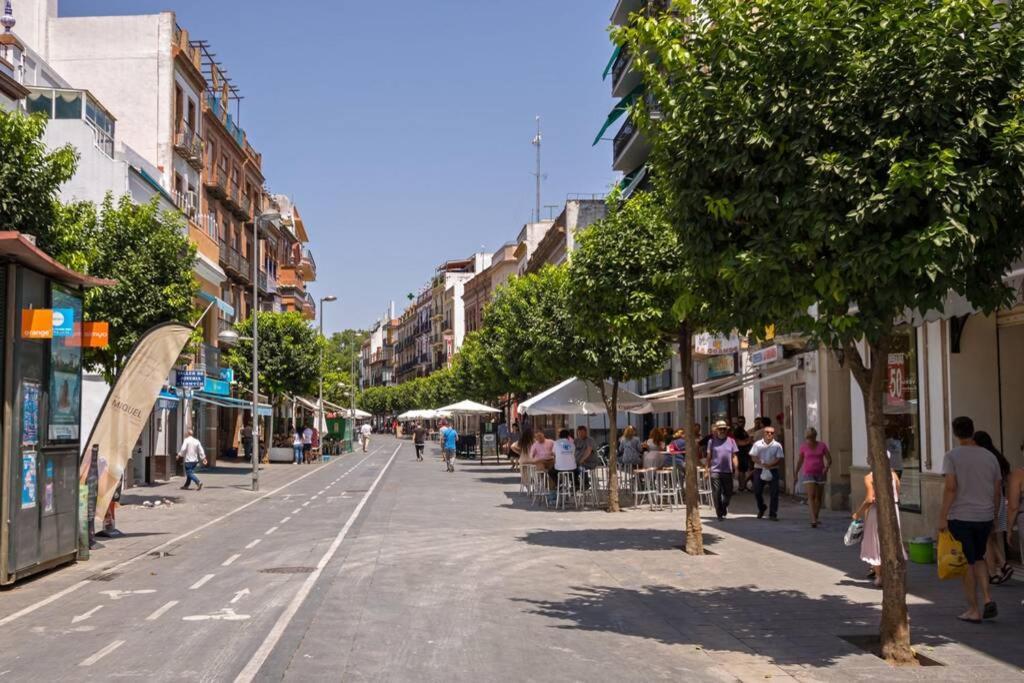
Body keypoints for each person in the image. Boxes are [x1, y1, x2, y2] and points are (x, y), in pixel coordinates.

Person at [939, 416, 1003, 623]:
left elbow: (950, 487)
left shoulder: (952, 456)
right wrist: (993, 514)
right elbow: (996, 489)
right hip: (984, 515)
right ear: (973, 430)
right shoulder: (989, 457)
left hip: (961, 516)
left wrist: (942, 516)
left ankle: (973, 609)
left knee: (968, 562)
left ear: (955, 433)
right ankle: (987, 598)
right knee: (979, 557)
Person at [852, 453, 904, 587]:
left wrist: (858, 513)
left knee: (875, 542)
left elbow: (870, 499)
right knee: (894, 541)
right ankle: (896, 575)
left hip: (877, 512)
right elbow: (897, 493)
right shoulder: (894, 475)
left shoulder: (869, 477)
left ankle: (880, 576)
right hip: (894, 510)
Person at [974, 431, 1013, 585]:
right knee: (991, 538)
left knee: (986, 540)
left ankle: (995, 571)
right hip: (1000, 500)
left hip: (988, 501)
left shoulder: (985, 460)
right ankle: (1001, 567)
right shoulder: (999, 458)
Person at [795, 427, 832, 527]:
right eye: (808, 437)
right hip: (808, 473)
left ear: (815, 436)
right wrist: (796, 472)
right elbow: (800, 461)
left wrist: (826, 468)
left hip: (820, 473)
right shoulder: (803, 447)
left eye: (811, 437)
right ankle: (813, 520)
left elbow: (829, 459)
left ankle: (815, 516)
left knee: (818, 498)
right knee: (811, 496)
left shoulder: (822, 445)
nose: (809, 439)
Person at [706, 420, 739, 519]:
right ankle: (719, 512)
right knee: (717, 492)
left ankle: (724, 506)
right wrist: (707, 469)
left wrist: (736, 468)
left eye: (724, 429)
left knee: (728, 493)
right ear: (716, 430)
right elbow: (709, 456)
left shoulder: (731, 441)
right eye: (720, 429)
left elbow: (734, 456)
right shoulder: (711, 441)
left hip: (727, 471)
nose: (722, 431)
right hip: (715, 470)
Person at [751, 423, 784, 520]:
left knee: (774, 492)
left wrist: (770, 465)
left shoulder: (777, 445)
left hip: (773, 470)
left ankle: (773, 514)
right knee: (757, 491)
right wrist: (761, 463)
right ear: (763, 433)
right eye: (767, 432)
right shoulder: (757, 444)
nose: (769, 434)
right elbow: (753, 457)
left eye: (771, 433)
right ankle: (762, 508)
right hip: (759, 469)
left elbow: (779, 458)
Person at [732, 417, 753, 493]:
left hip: (744, 452)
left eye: (743, 421)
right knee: (741, 470)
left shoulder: (743, 431)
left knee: (743, 470)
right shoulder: (737, 431)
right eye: (740, 421)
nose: (742, 423)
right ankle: (741, 486)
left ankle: (743, 486)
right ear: (737, 422)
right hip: (740, 452)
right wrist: (747, 441)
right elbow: (737, 442)